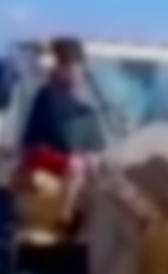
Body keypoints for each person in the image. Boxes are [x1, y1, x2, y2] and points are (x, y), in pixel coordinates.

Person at [19, 37, 105, 231]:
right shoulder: (47, 96)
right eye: (71, 68)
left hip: (68, 158)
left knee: (101, 170)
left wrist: (94, 157)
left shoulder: (85, 105)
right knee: (76, 164)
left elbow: (95, 140)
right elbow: (64, 135)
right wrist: (83, 154)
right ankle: (65, 216)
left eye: (79, 69)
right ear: (59, 68)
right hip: (40, 154)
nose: (76, 74)